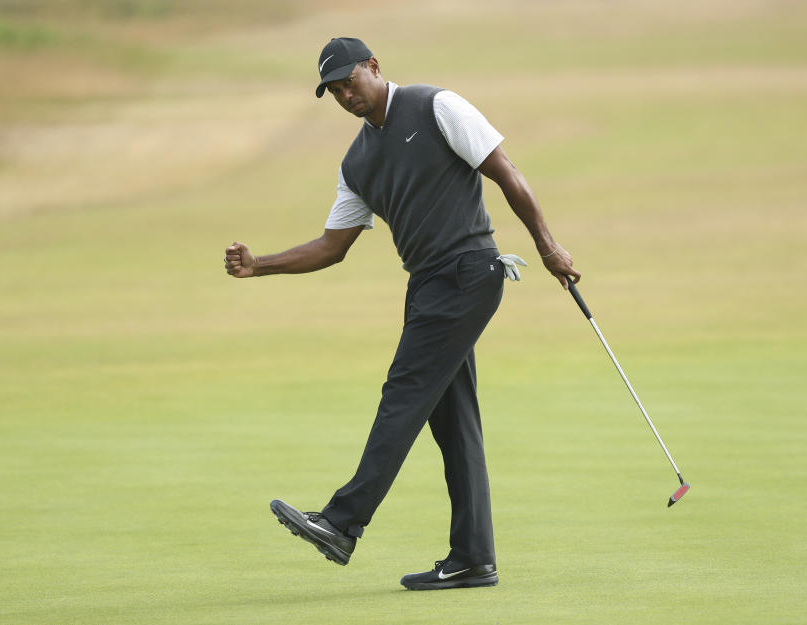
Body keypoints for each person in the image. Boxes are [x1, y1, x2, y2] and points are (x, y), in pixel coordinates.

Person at [223, 37, 579, 590]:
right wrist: (260, 265)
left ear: (373, 67)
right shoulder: (357, 162)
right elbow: (331, 247)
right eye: (335, 90)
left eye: (350, 80)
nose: (345, 94)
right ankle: (473, 558)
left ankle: (342, 523)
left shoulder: (437, 106)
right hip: (427, 287)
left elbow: (505, 171)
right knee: (453, 422)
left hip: (468, 272)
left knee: (404, 395)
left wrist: (548, 246)